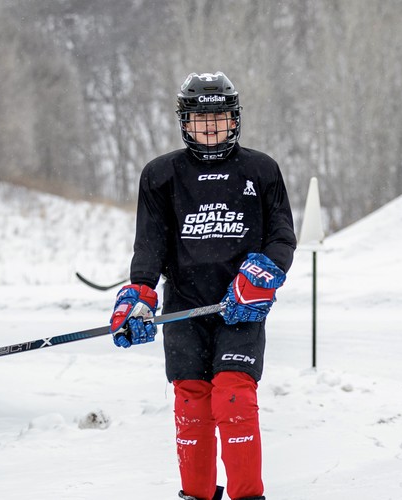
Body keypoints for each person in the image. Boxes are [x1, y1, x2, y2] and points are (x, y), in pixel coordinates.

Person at [109, 72, 296, 500]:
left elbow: (282, 236)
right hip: (184, 306)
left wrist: (262, 274)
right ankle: (196, 495)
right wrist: (139, 294)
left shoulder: (261, 169)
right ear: (184, 122)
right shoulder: (160, 174)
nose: (210, 128)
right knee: (192, 404)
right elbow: (150, 244)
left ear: (235, 120)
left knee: (234, 397)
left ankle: (248, 496)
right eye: (199, 119)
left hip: (241, 305)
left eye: (218, 118)